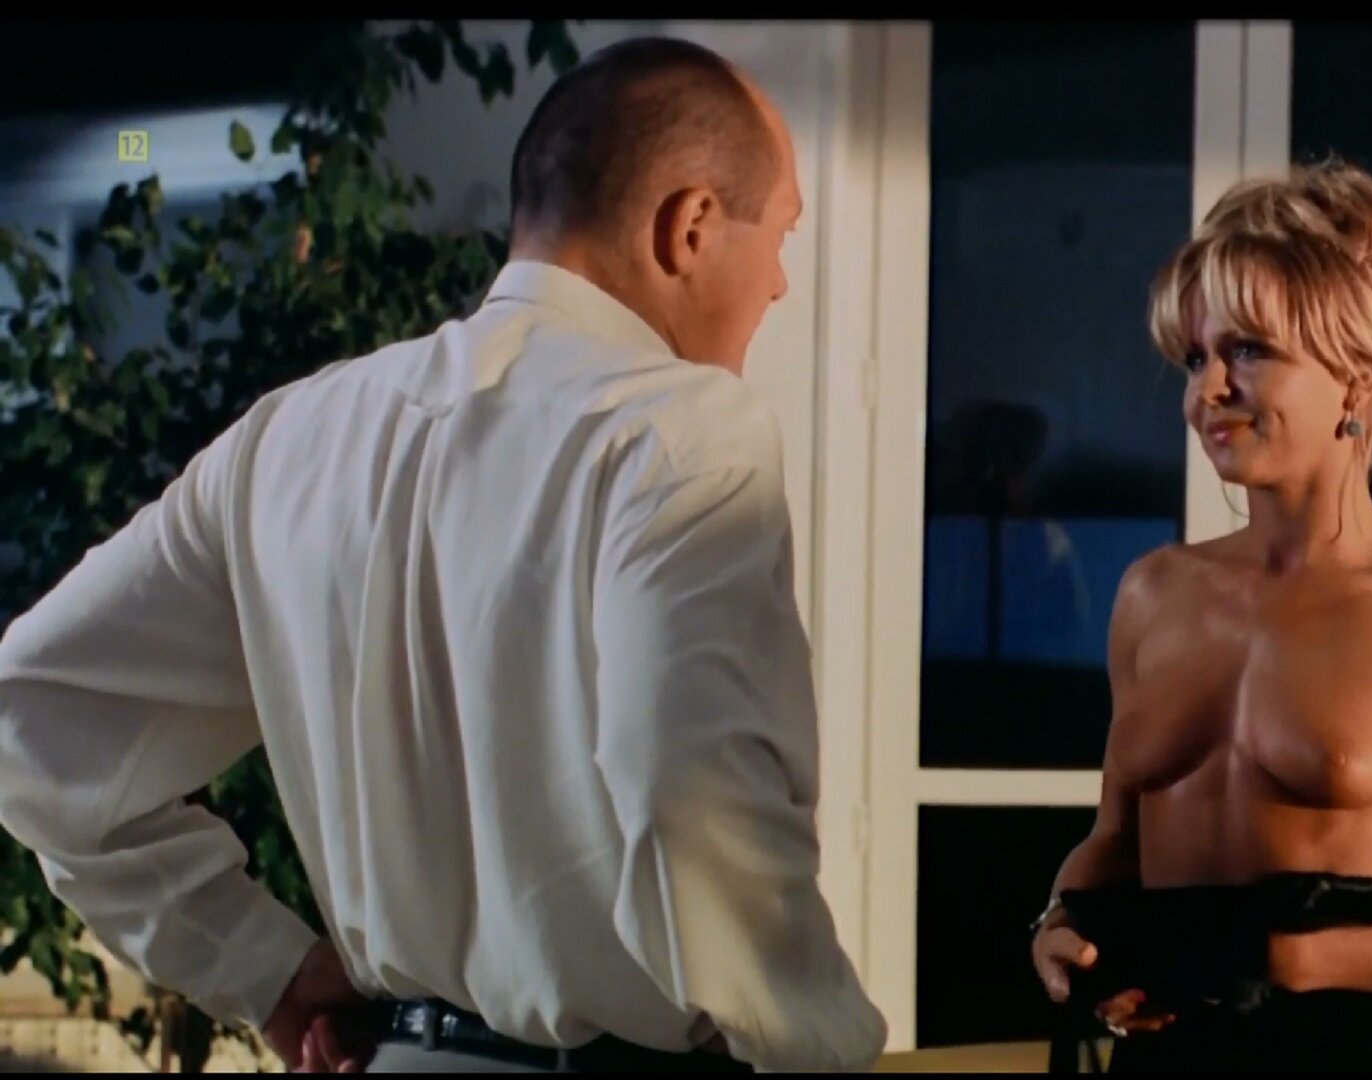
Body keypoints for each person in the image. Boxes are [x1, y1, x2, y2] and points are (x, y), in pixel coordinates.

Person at [0, 35, 886, 1074]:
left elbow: (33, 719)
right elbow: (694, 789)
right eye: (780, 235)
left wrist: (263, 967)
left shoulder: (287, 441)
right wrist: (819, 1048)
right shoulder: (682, 430)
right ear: (689, 226)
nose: (778, 284)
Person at [1027, 160, 1372, 1073]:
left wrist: (1296, 962)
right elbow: (1116, 842)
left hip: (1348, 1055)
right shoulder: (1152, 594)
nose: (1207, 390)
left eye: (1249, 351)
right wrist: (1058, 924)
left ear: (1360, 376)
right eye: (1196, 358)